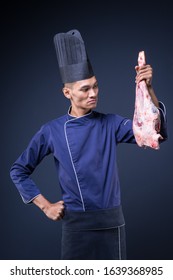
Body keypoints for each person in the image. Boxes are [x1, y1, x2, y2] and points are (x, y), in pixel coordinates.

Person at [10, 29, 167, 260]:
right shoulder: (52, 130)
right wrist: (45, 206)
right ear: (67, 93)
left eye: (95, 86)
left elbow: (152, 131)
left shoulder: (110, 123)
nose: (93, 93)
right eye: (85, 89)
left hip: (112, 225)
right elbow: (19, 170)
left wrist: (148, 88)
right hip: (75, 229)